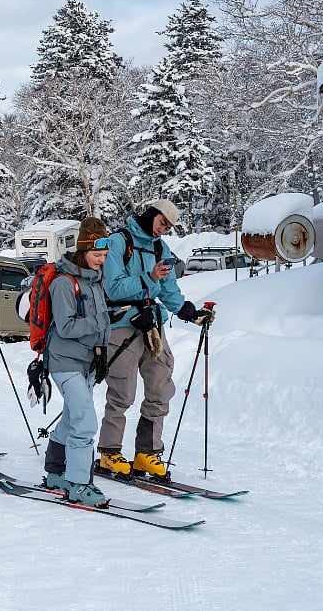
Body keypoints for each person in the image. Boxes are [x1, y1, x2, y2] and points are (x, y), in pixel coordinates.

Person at [96, 199, 213, 481]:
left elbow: (169, 288)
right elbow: (113, 287)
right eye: (162, 224)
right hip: (123, 323)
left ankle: (146, 453)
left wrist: (188, 312)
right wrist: (149, 278)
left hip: (152, 325)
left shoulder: (161, 248)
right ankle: (109, 453)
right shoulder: (117, 242)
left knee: (161, 387)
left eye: (169, 227)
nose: (163, 230)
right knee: (122, 392)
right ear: (151, 216)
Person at [40, 217, 114, 507]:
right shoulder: (63, 283)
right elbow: (68, 327)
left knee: (72, 417)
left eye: (104, 255)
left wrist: (102, 353)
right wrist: (104, 320)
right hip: (64, 361)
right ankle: (79, 483)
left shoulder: (95, 282)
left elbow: (99, 326)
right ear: (83, 251)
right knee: (84, 422)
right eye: (96, 254)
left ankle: (56, 471)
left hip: (86, 361)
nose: (101, 260)